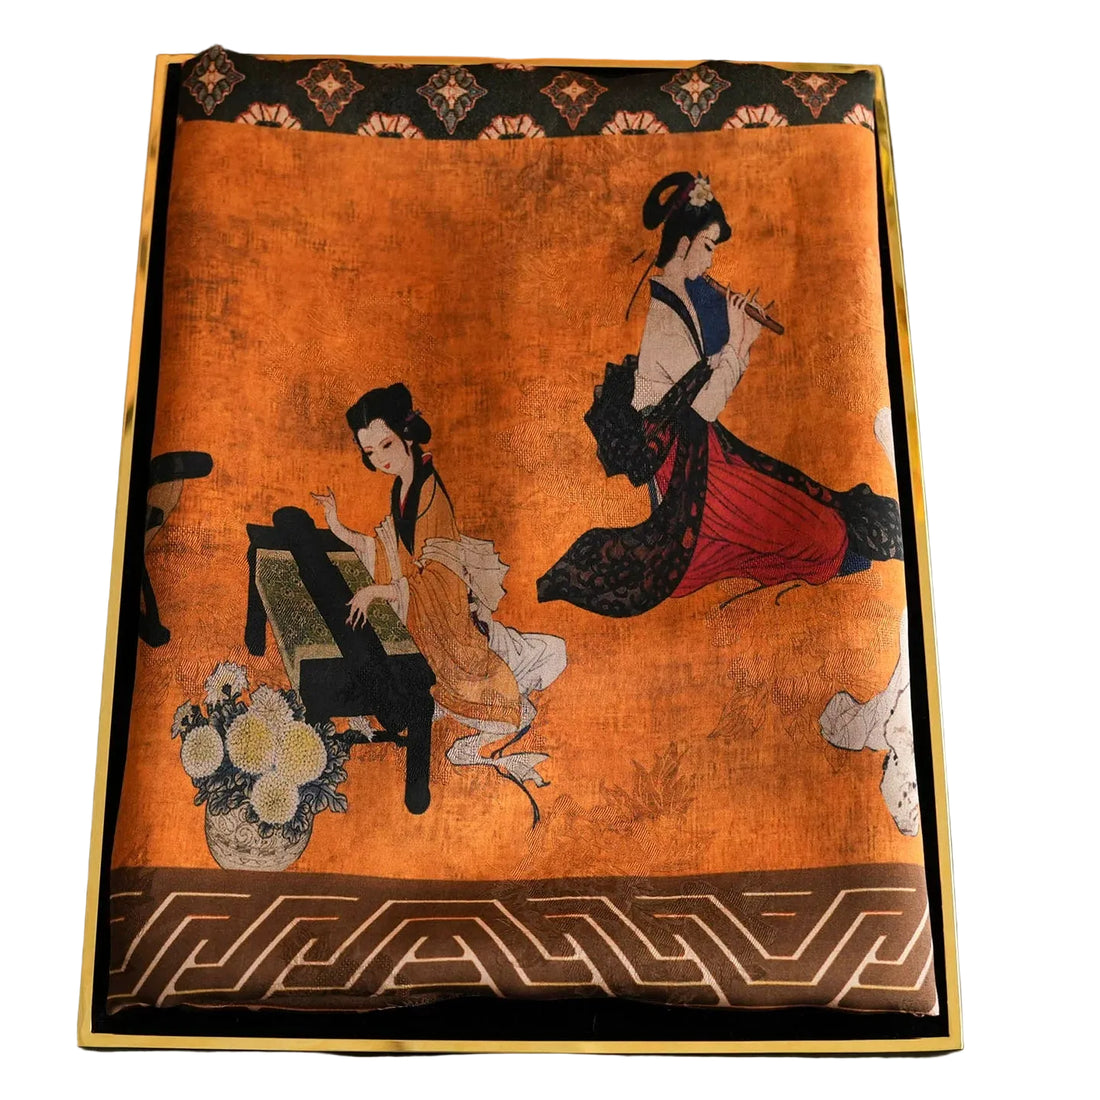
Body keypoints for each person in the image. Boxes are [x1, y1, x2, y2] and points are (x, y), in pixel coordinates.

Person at [536, 171, 903, 618]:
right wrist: (738, 345)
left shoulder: (684, 297)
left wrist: (736, 345)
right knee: (823, 534)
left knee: (816, 507)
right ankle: (850, 555)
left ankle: (868, 546)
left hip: (706, 452)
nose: (711, 262)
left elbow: (699, 384)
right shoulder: (665, 316)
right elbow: (701, 408)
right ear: (685, 243)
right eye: (708, 247)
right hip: (689, 473)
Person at [312, 383, 566, 821]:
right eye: (370, 452)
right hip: (424, 613)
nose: (381, 458)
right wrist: (336, 525)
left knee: (470, 688)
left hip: (446, 622)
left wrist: (377, 591)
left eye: (386, 444)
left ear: (407, 435)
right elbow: (391, 556)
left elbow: (440, 581)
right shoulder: (402, 489)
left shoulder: (429, 494)